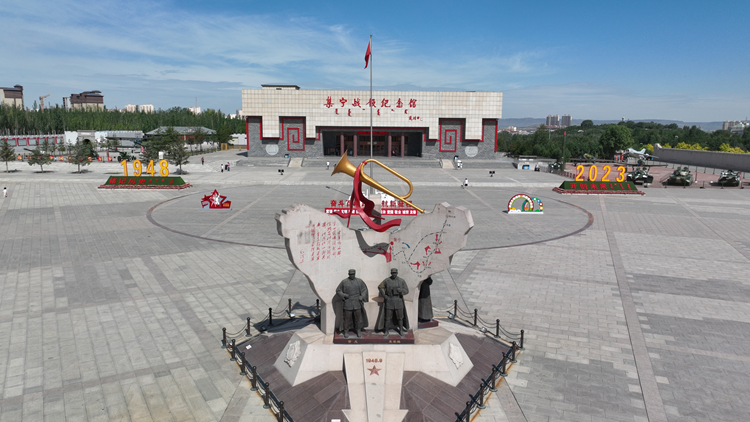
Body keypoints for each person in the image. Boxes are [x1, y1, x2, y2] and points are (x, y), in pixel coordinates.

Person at [336, 269, 369, 338]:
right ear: (348, 274)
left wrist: (362, 296)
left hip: (357, 302)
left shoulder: (359, 281)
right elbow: (338, 290)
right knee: (347, 319)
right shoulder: (344, 282)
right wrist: (344, 295)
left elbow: (365, 289)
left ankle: (358, 330)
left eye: (353, 274)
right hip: (348, 302)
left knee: (358, 318)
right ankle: (346, 331)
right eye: (351, 274)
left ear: (355, 274)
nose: (352, 275)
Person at [378, 268, 409, 336]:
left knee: (400, 317)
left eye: (395, 273)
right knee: (387, 317)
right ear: (391, 273)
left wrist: (401, 291)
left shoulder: (401, 281)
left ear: (397, 273)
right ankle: (386, 331)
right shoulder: (387, 280)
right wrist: (384, 295)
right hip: (389, 300)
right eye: (392, 273)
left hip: (398, 301)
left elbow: (406, 290)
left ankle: (401, 330)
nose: (394, 274)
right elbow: (380, 287)